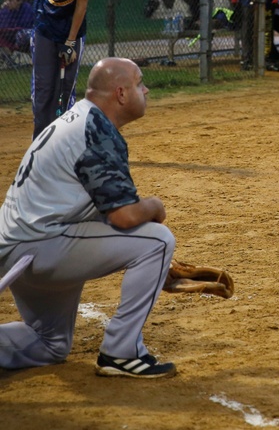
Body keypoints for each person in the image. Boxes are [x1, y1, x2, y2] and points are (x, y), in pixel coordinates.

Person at [0, 57, 178, 379]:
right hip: (40, 247)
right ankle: (122, 353)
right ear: (121, 94)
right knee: (158, 241)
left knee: (49, 343)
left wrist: (156, 270)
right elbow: (124, 217)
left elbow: (105, 212)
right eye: (140, 83)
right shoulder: (96, 129)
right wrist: (155, 206)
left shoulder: (81, 120)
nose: (146, 89)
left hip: (20, 248)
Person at [32, 0, 98, 138]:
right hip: (45, 26)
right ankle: (39, 142)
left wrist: (70, 41)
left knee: (65, 90)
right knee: (42, 90)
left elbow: (82, 4)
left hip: (72, 29)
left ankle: (61, 140)